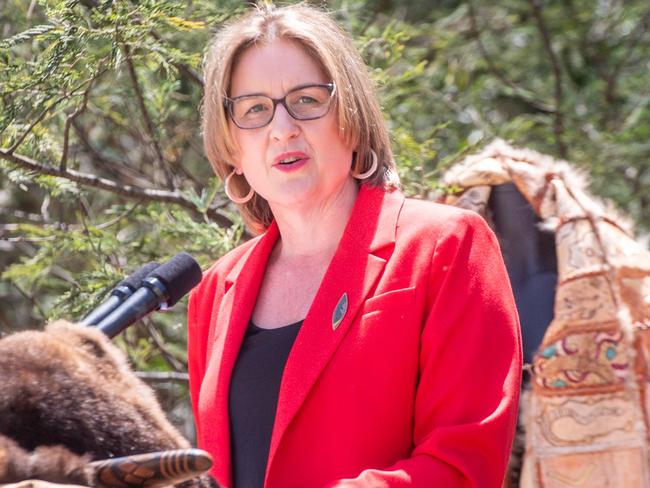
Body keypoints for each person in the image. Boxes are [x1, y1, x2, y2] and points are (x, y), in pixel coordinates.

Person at [187, 4, 522, 488]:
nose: (282, 128)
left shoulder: (445, 247)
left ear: (351, 118)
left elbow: (464, 464)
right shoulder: (214, 291)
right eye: (254, 109)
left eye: (305, 100)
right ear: (231, 146)